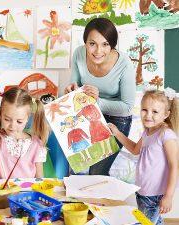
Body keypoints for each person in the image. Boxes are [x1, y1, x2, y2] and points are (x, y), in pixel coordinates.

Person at [65, 17, 136, 175]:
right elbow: (75, 83)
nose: (98, 51)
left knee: (97, 172)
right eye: (92, 44)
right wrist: (72, 90)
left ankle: (99, 200)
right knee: (75, 168)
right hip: (88, 115)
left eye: (105, 44)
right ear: (85, 43)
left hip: (117, 120)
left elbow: (128, 106)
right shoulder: (78, 54)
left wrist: (97, 102)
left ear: (112, 45)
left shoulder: (124, 63)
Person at [108, 88, 179, 225]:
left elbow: (174, 166)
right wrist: (117, 133)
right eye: (144, 110)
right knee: (155, 222)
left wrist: (169, 196)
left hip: (155, 195)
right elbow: (135, 149)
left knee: (145, 223)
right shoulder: (147, 133)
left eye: (155, 112)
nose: (148, 115)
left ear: (166, 114)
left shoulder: (166, 135)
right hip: (143, 191)